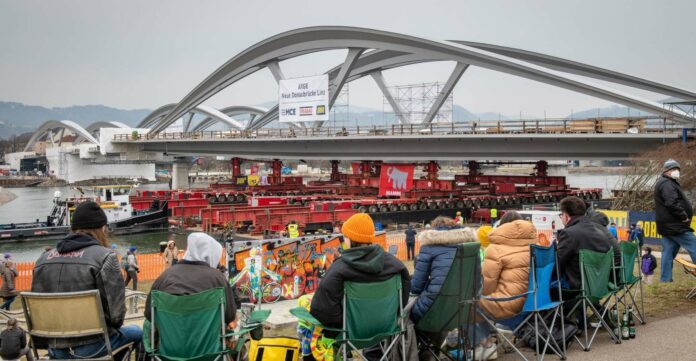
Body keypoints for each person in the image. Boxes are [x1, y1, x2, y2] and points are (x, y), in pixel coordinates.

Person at [31, 201, 142, 359]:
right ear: (102, 228)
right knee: (139, 332)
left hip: (55, 348)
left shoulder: (42, 260)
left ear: (74, 228)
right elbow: (116, 317)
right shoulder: (105, 257)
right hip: (94, 346)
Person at [310, 213, 410, 360]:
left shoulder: (339, 269)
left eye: (345, 237)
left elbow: (321, 310)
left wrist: (344, 323)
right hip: (386, 329)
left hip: (349, 334)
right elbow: (402, 300)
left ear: (350, 239)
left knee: (307, 317)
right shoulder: (396, 265)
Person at [409, 216, 478, 357]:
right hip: (464, 308)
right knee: (442, 311)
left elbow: (415, 287)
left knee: (406, 315)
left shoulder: (429, 247)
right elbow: (476, 282)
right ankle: (431, 350)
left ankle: (418, 352)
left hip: (435, 309)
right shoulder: (470, 247)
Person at [145, 232, 237, 329]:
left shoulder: (165, 277)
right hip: (208, 342)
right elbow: (230, 316)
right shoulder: (218, 279)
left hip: (170, 342)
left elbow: (149, 314)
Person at [478, 212, 537, 359]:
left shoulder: (495, 248)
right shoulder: (537, 246)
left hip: (509, 304)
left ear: (502, 227)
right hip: (535, 301)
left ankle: (486, 343)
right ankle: (494, 335)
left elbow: (487, 287)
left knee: (468, 303)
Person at [557, 197, 618, 290]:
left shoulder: (569, 233)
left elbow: (557, 264)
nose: (561, 217)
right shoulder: (600, 232)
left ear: (566, 216)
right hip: (599, 286)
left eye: (561, 215)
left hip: (576, 288)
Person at [654, 159, 695, 283]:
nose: (677, 171)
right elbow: (671, 203)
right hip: (676, 225)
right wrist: (683, 216)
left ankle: (665, 278)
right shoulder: (667, 184)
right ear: (666, 171)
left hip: (667, 226)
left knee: (668, 252)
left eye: (678, 169)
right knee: (694, 245)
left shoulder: (667, 182)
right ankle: (665, 278)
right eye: (674, 169)